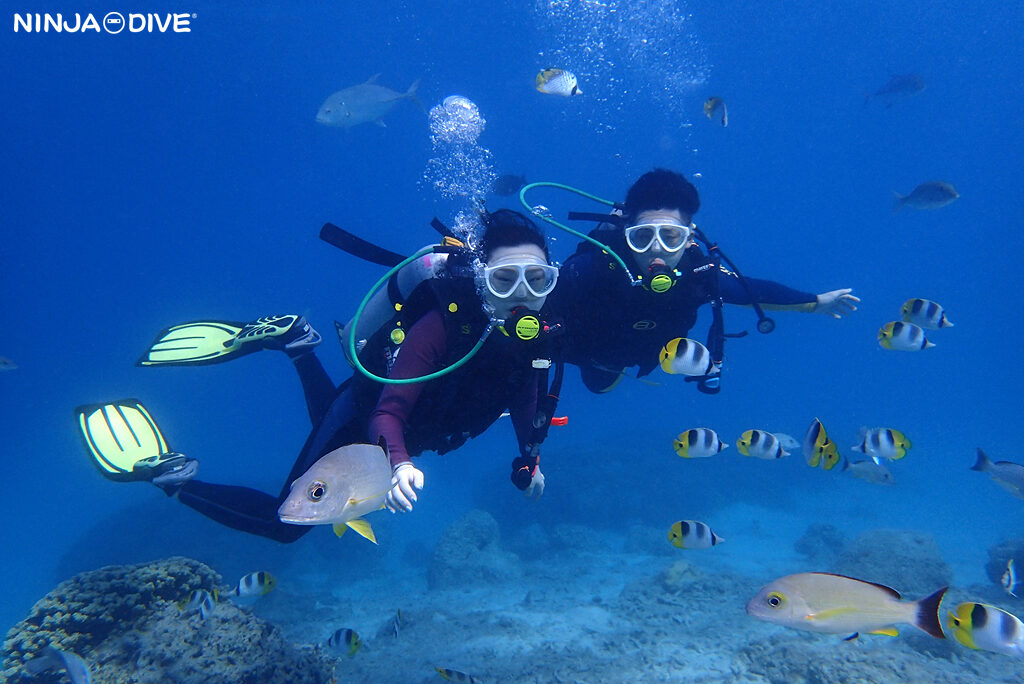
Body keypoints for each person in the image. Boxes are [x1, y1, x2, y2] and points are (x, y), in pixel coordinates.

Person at [77, 210, 560, 542]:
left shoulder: (533, 334)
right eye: (504, 279)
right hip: (368, 418)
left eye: (537, 279)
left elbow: (526, 395)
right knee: (283, 524)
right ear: (481, 277)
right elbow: (389, 413)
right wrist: (399, 464)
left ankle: (298, 346)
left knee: (322, 419)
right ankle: (175, 479)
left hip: (400, 439)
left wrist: (530, 457)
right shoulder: (442, 326)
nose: (522, 294)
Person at [545, 168, 859, 392]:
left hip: (654, 354)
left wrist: (815, 302)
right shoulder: (595, 267)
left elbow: (750, 290)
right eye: (642, 237)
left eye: (670, 237)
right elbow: (539, 298)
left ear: (689, 238)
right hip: (593, 355)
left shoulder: (698, 273)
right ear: (626, 234)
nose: (657, 249)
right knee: (598, 384)